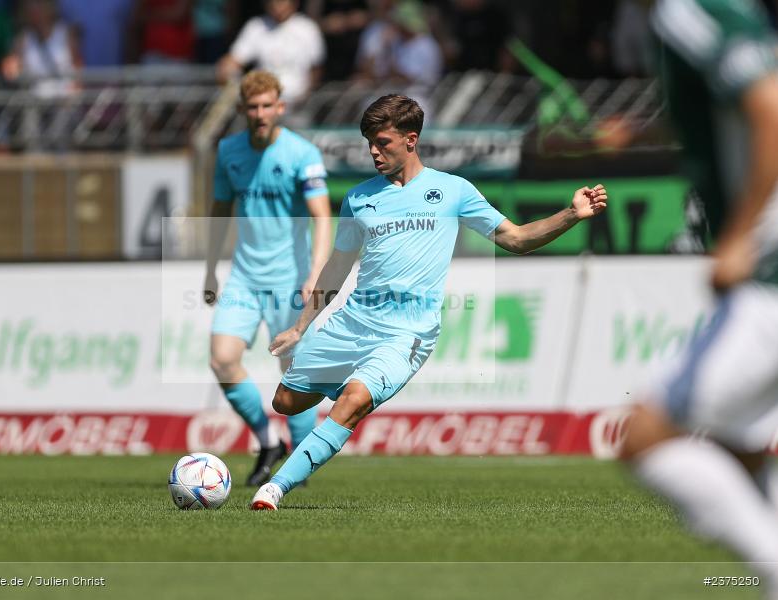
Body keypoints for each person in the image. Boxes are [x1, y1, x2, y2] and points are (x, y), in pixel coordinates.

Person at [250, 94, 607, 509]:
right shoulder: (360, 198)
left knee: (352, 403)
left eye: (382, 142)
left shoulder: (453, 190)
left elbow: (516, 238)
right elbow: (337, 268)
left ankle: (273, 489)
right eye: (369, 142)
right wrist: (300, 327)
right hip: (352, 322)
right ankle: (341, 393)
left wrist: (571, 214)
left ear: (411, 139)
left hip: (407, 334)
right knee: (285, 401)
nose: (373, 151)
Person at [620, 0, 778, 593]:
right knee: (742, 452)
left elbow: (770, 109)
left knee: (645, 438)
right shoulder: (732, 10)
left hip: (769, 277)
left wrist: (738, 239)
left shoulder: (686, 10)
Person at [204, 70, 333, 487]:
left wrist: (315, 272)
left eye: (267, 106)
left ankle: (299, 462)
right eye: (253, 107)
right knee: (222, 359)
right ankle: (266, 441)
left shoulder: (302, 153)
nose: (260, 114)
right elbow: (220, 211)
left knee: (294, 375)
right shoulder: (229, 151)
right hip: (244, 276)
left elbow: (322, 215)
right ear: (243, 110)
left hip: (289, 278)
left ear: (280, 107)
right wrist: (210, 269)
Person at [217, 0, 325, 107]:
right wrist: (228, 71)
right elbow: (234, 59)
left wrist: (306, 96)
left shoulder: (308, 28)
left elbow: (316, 68)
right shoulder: (256, 27)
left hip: (297, 104)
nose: (276, 6)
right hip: (263, 104)